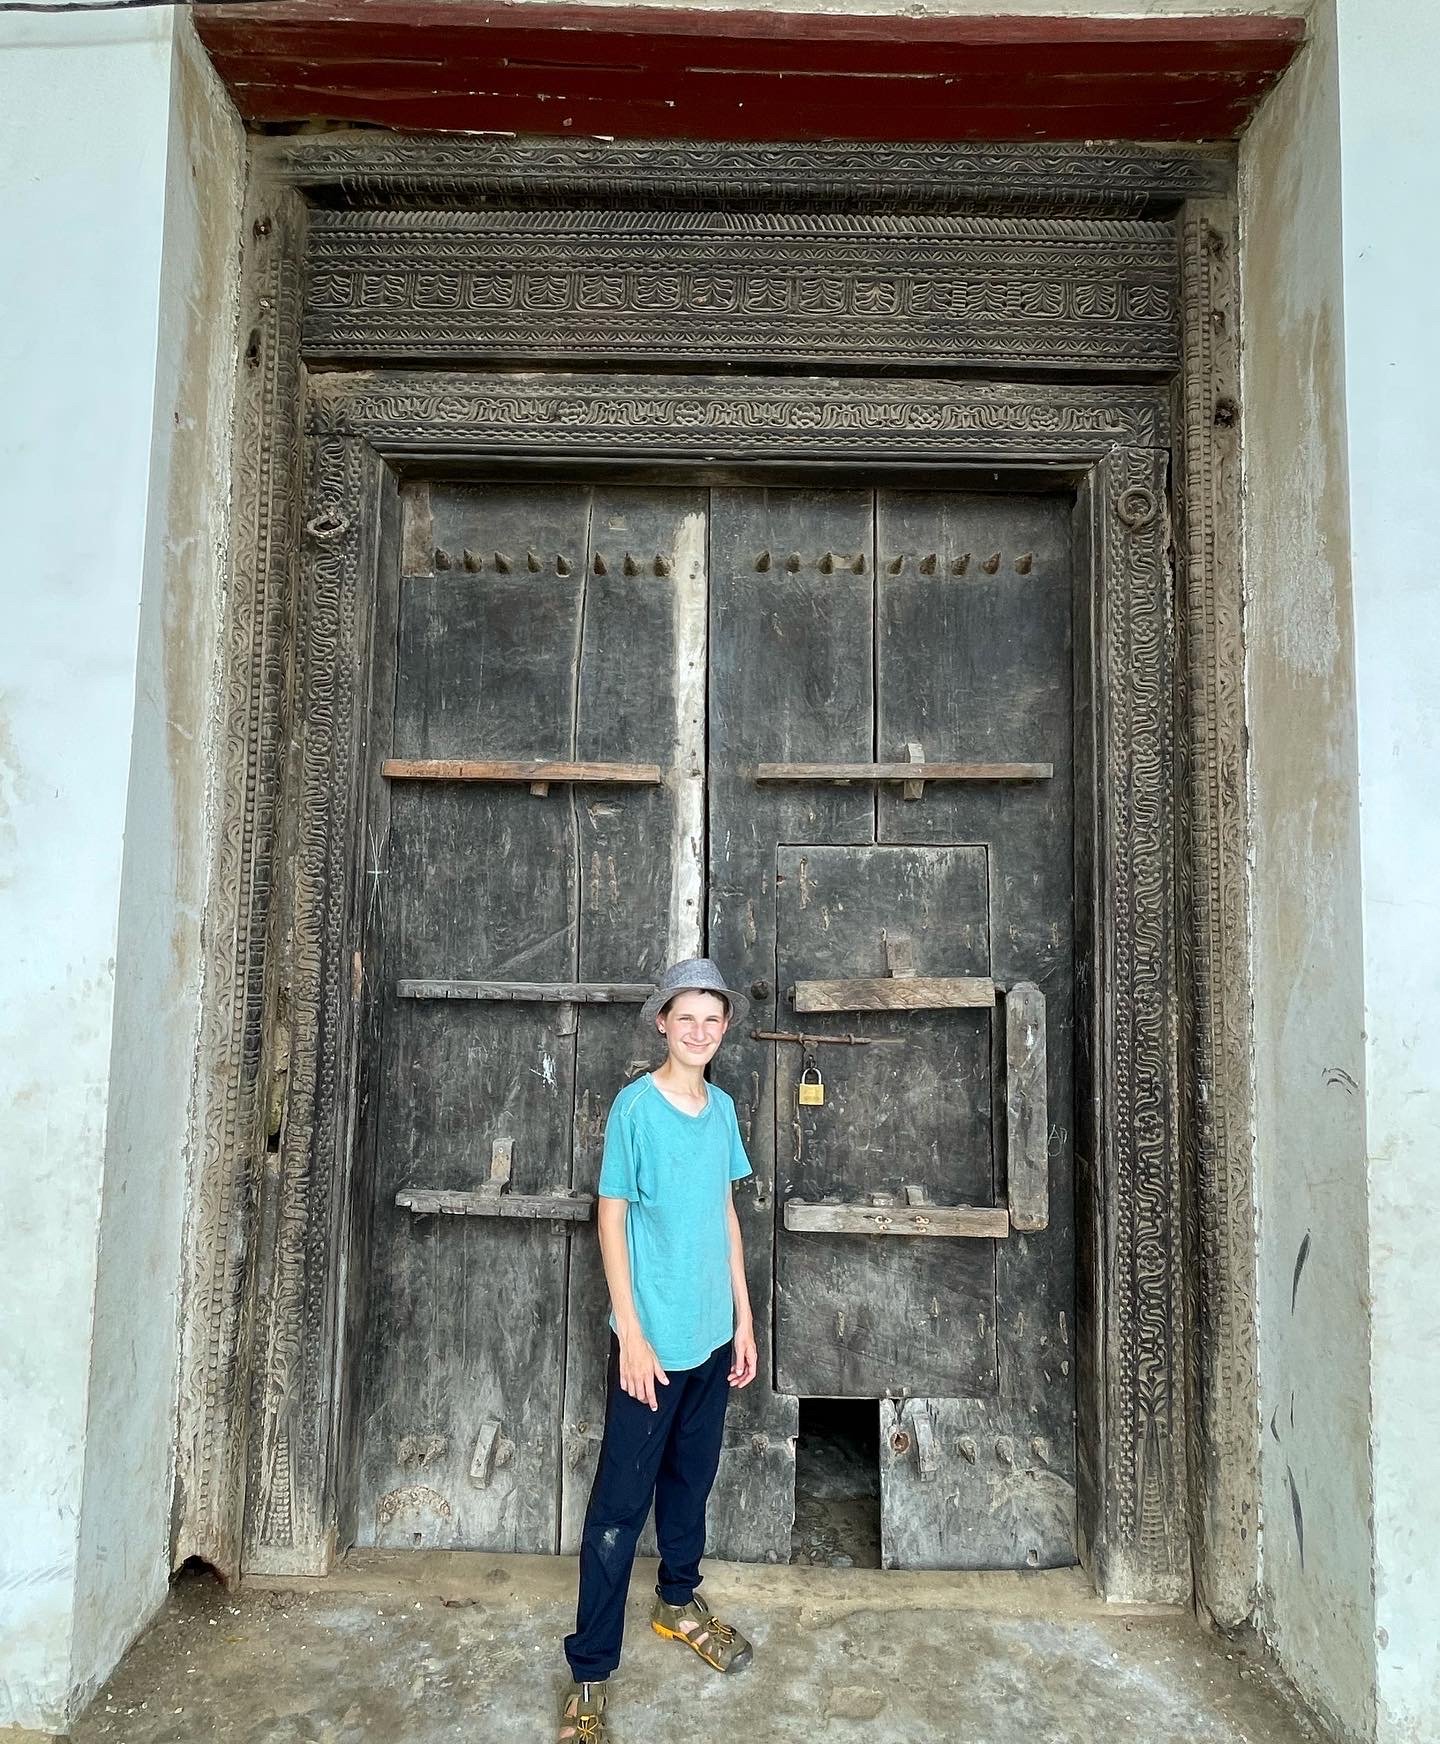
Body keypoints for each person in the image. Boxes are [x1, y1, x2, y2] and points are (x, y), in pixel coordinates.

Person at [559, 958, 758, 1742]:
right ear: (663, 1024)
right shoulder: (636, 1109)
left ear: (724, 1028)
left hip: (712, 1339)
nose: (700, 1031)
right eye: (687, 1019)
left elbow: (726, 1215)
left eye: (713, 1020)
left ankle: (678, 1603)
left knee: (690, 1481)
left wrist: (743, 1320)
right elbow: (611, 1219)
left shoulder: (724, 1109)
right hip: (654, 1346)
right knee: (617, 1509)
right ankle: (588, 1673)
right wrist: (631, 1333)